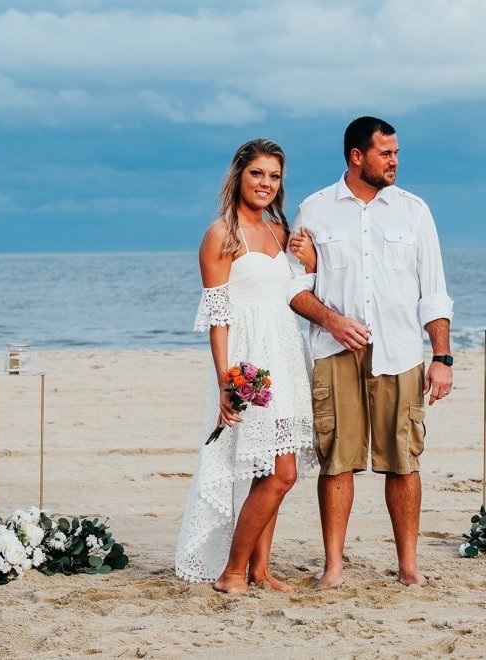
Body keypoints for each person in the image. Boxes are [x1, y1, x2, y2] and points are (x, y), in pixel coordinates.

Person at [286, 116, 454, 587]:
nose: (395, 161)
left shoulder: (414, 211)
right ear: (357, 156)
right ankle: (333, 567)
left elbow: (434, 292)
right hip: (333, 354)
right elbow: (294, 287)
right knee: (336, 461)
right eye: (386, 153)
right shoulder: (315, 209)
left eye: (396, 153)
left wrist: (441, 358)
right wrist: (332, 321)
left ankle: (408, 567)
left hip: (401, 354)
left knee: (404, 460)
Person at [175, 139, 319, 593]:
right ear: (239, 175)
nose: (265, 183)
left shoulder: (279, 230)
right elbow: (218, 316)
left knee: (268, 470)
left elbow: (294, 293)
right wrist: (226, 382)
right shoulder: (221, 234)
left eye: (274, 176)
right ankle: (232, 572)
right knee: (281, 473)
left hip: (286, 357)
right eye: (257, 173)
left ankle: (260, 569)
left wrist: (310, 262)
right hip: (250, 364)